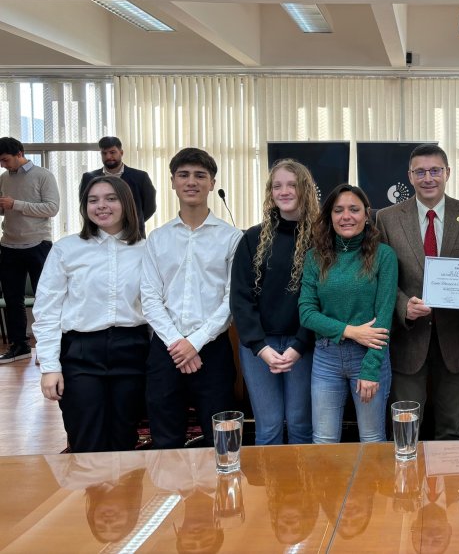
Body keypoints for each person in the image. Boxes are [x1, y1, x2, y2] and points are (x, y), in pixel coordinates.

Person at [375, 143, 459, 440]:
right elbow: (381, 276)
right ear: (410, 176)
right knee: (405, 428)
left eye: (435, 171)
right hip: (408, 339)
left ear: (447, 173)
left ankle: (447, 487)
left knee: (451, 429)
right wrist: (403, 307)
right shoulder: (387, 218)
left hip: (457, 339)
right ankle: (406, 486)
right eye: (420, 172)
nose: (428, 178)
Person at [33, 176, 149, 452]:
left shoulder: (147, 249)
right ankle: (93, 495)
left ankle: (125, 496)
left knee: (125, 437)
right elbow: (47, 310)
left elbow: (155, 304)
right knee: (86, 438)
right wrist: (50, 367)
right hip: (81, 352)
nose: (102, 206)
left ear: (126, 203)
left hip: (132, 349)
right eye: (93, 200)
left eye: (111, 198)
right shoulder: (66, 248)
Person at [140, 147, 242, 449]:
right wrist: (178, 343)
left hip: (212, 349)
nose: (191, 181)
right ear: (172, 182)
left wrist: (194, 342)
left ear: (212, 183)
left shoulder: (231, 237)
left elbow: (231, 299)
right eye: (183, 175)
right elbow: (150, 297)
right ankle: (172, 497)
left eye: (200, 175)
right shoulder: (158, 238)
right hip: (165, 348)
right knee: (165, 436)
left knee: (222, 439)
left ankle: (225, 496)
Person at [299, 184, 398, 443]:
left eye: (354, 210)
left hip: (369, 356)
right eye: (338, 210)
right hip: (326, 358)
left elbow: (384, 317)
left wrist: (370, 370)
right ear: (329, 217)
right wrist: (350, 331)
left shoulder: (384, 256)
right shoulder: (314, 257)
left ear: (367, 215)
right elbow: (306, 313)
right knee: (323, 440)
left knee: (373, 439)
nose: (346, 217)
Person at [230, 159, 318, 445]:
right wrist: (260, 347)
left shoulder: (321, 239)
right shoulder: (252, 238)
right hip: (260, 348)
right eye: (277, 185)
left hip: (303, 346)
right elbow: (240, 298)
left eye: (292, 185)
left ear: (305, 189)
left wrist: (299, 345)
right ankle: (271, 492)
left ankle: (304, 491)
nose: (284, 191)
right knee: (268, 428)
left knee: (300, 425)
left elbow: (323, 299)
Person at [0, 136, 60, 364]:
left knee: (45, 298)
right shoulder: (4, 178)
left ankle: (48, 347)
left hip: (38, 244)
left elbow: (52, 208)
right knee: (12, 298)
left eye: (5, 160)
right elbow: (6, 210)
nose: (3, 165)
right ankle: (19, 346)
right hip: (8, 245)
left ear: (19, 153)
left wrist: (16, 204)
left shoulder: (43, 175)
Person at [79, 136, 156, 233]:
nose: (108, 157)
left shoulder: (140, 177)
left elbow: (150, 207)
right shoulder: (89, 178)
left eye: (112, 152)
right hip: (98, 233)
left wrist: (131, 221)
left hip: (132, 233)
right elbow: (85, 206)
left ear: (121, 153)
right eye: (104, 153)